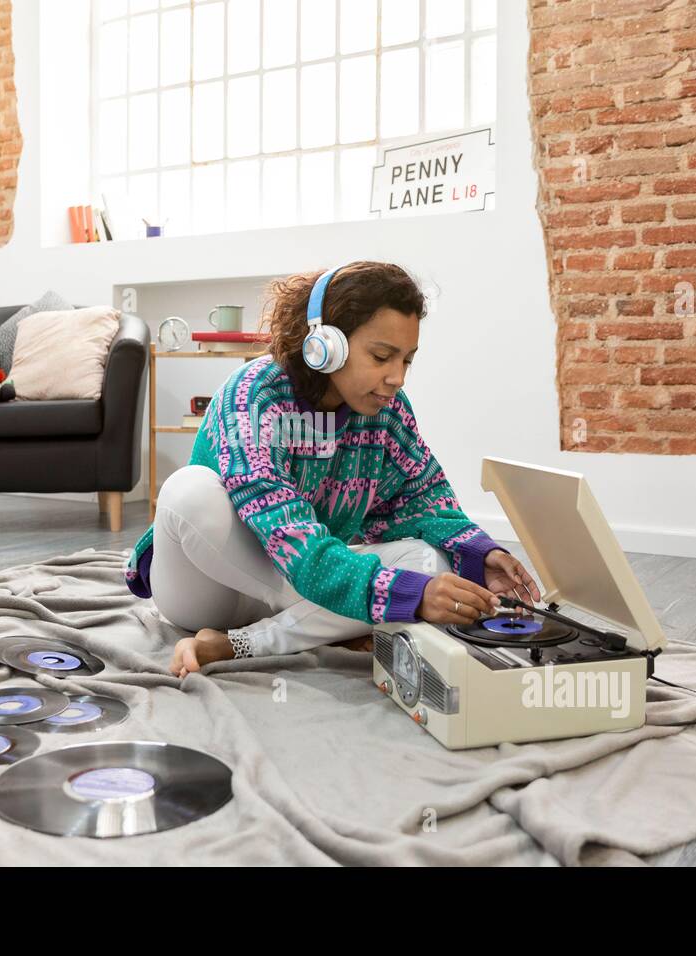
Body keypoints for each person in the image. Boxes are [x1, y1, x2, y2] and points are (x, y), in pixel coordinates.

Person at [124, 260, 540, 678]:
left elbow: (423, 499)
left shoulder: (387, 411)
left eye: (407, 361)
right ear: (324, 344)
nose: (396, 378)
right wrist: (400, 593)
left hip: (297, 588)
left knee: (436, 565)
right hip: (206, 589)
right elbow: (294, 543)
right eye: (381, 356)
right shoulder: (253, 397)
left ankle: (243, 643)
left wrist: (479, 552)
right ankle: (326, 623)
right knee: (188, 491)